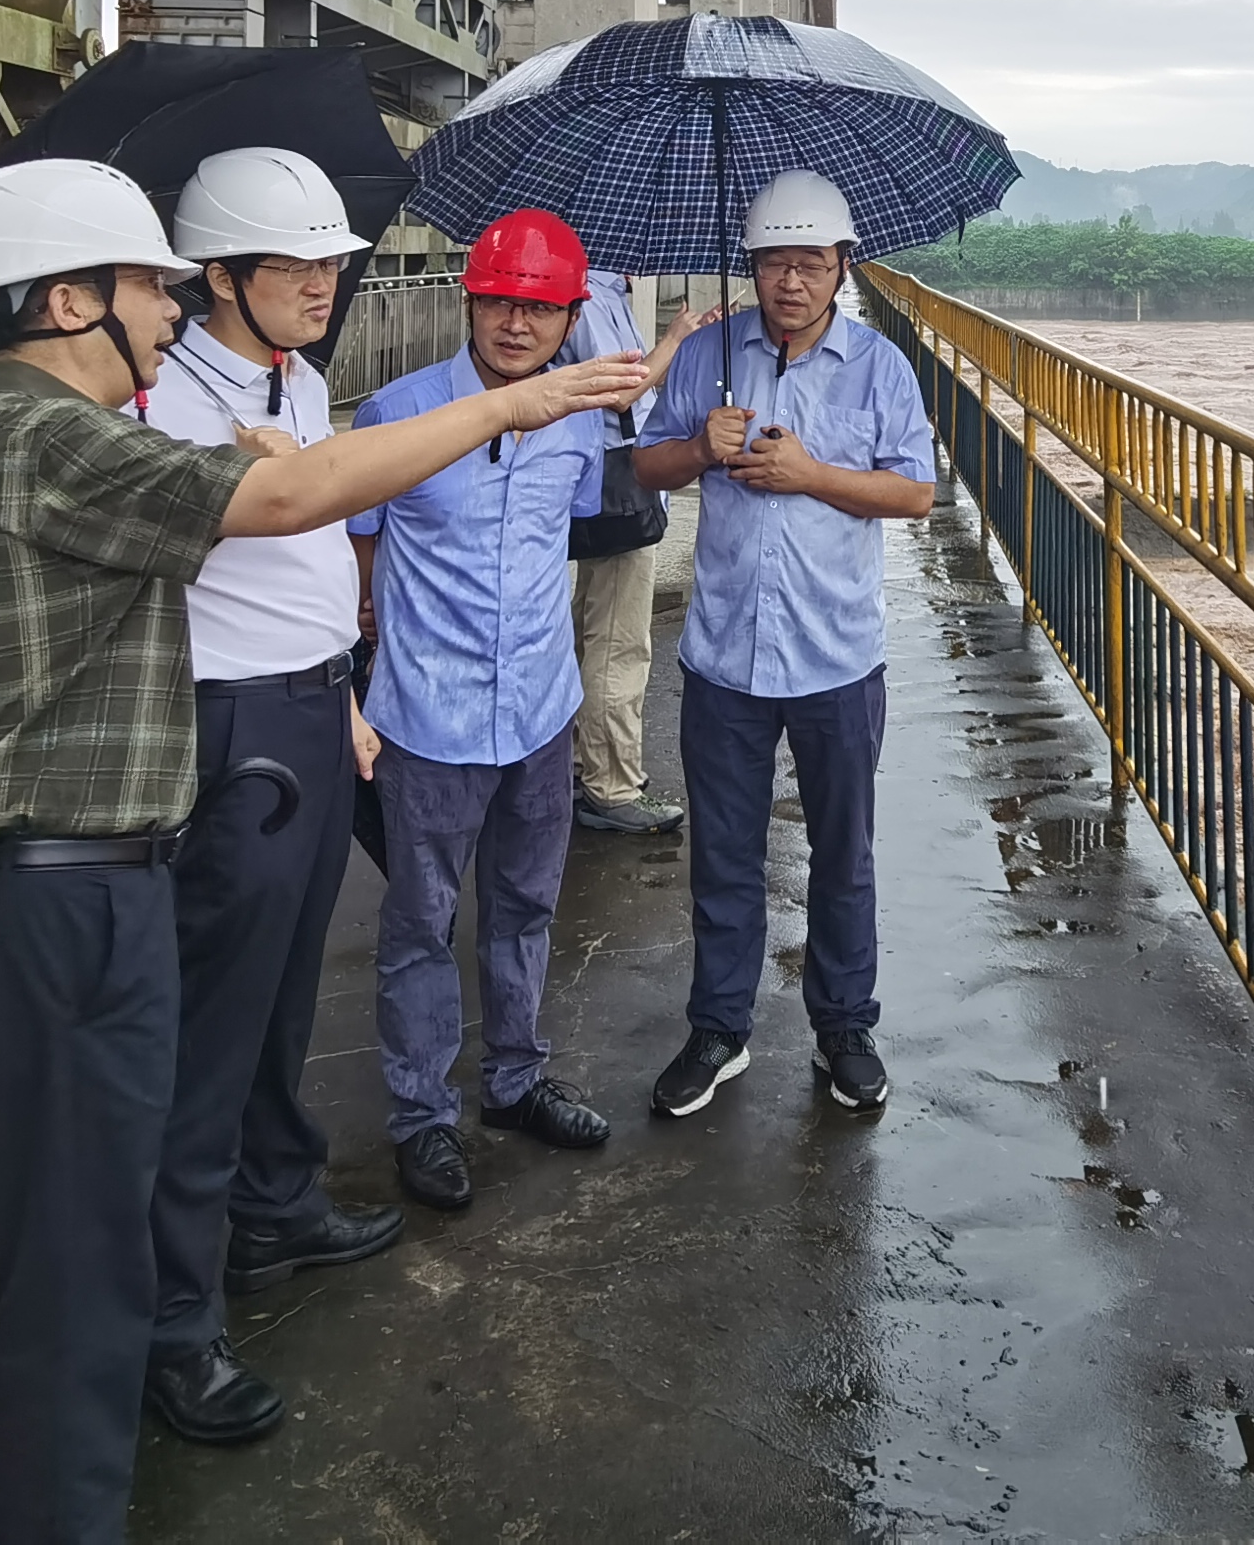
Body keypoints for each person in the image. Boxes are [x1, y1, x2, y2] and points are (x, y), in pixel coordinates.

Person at [0, 159, 648, 1545]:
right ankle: (116, 1421)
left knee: (9, 1246)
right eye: (146, 288)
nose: (166, 312)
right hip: (61, 889)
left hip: (100, 846)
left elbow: (279, 525)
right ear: (67, 300)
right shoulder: (49, 440)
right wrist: (515, 404)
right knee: (75, 1266)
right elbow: (293, 510)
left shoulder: (56, 428)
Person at [349, 209, 700, 1208]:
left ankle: (514, 1079)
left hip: (542, 713)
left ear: (569, 317)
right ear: (471, 300)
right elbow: (360, 547)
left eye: (540, 308)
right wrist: (366, 658)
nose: (516, 324)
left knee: (525, 906)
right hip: (428, 717)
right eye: (500, 300)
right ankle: (422, 1117)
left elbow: (575, 524)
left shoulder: (581, 422)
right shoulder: (398, 415)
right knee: (420, 922)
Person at [134, 148, 397, 1450]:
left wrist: (340, 691)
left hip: (309, 707)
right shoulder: (162, 399)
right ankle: (174, 1327)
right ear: (221, 277)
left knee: (289, 988)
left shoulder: (294, 375)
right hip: (227, 721)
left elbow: (307, 550)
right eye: (295, 264)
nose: (322, 282)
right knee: (213, 1024)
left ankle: (276, 1204)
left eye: (329, 261)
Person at [630, 170, 937, 1122]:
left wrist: (811, 472)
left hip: (837, 656)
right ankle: (719, 1029)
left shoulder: (879, 366)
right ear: (752, 266)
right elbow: (645, 465)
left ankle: (844, 1027)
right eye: (773, 262)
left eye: (811, 262)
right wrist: (700, 449)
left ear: (844, 266)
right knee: (723, 853)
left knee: (843, 852)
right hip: (724, 655)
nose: (791, 281)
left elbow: (915, 492)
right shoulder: (707, 356)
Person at [566, 260, 684, 835]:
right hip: (613, 486)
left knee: (589, 627)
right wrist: (676, 338)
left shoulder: (607, 291)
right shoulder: (590, 296)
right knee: (618, 642)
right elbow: (619, 393)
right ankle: (611, 787)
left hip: (604, 483)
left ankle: (579, 761)